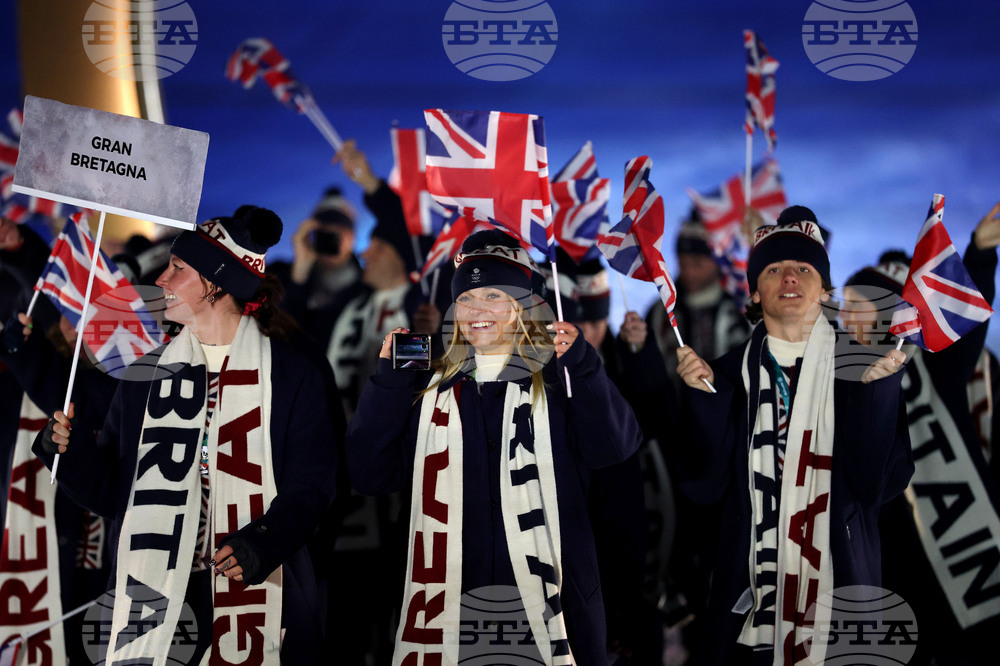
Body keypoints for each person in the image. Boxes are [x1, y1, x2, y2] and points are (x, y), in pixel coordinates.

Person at [34, 206, 338, 664]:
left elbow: (314, 486)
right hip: (160, 594)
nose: (161, 279)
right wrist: (66, 452)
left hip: (259, 586)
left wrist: (264, 540)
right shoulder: (145, 374)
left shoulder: (293, 372)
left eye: (178, 268)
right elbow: (115, 494)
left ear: (216, 283)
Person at [345, 229, 643, 665]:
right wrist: (389, 380)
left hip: (550, 612)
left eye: (493, 295)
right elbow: (369, 475)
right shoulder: (429, 385)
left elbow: (617, 446)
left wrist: (583, 367)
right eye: (466, 297)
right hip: (447, 612)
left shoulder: (560, 379)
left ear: (524, 305)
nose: (476, 310)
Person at [676, 206, 913, 664]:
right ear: (754, 292)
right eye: (774, 268)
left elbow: (876, 487)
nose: (789, 277)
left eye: (804, 269)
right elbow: (702, 491)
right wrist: (703, 402)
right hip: (748, 623)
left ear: (824, 290)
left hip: (838, 619)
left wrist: (877, 397)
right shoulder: (721, 376)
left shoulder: (864, 373)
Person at [841, 202, 1000, 664]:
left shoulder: (935, 369)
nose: (846, 317)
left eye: (858, 305)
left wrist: (981, 253)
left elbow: (967, 329)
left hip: (953, 546)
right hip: (882, 558)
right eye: (845, 306)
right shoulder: (836, 375)